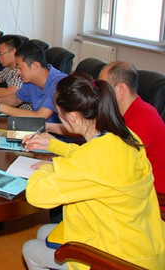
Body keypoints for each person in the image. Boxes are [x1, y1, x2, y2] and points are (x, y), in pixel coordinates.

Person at [22, 72, 165, 270]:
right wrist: (54, 145)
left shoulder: (93, 157)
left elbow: (37, 195)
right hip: (146, 245)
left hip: (121, 260)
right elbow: (94, 161)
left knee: (30, 248)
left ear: (73, 117)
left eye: (60, 115)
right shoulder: (124, 136)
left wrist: (48, 167)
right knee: (44, 232)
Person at [98, 60, 165, 194]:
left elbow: (115, 166)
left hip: (152, 196)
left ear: (121, 89)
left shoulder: (143, 120)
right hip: (131, 185)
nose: (99, 93)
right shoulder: (121, 112)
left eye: (103, 88)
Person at [0, 41, 66, 122]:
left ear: (35, 66)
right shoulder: (31, 81)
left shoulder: (59, 83)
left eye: (20, 68)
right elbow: (16, 99)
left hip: (52, 132)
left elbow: (40, 117)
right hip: (37, 129)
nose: (18, 72)